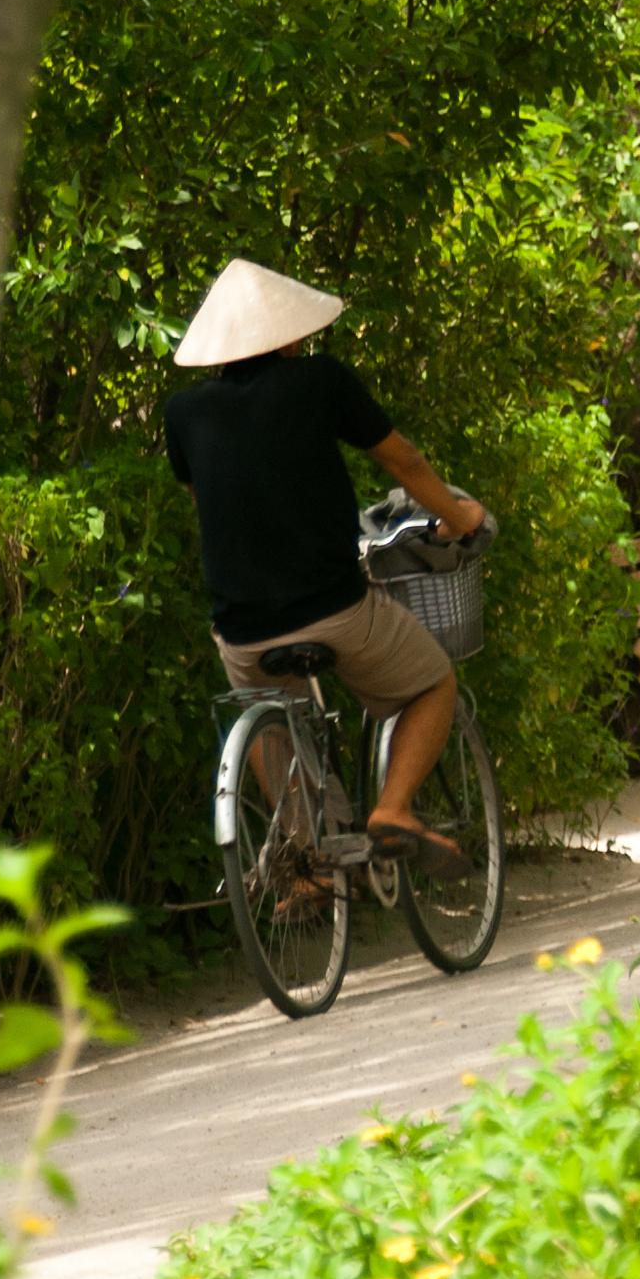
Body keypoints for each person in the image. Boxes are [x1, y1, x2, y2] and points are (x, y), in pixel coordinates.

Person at [164, 257, 490, 869]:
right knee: (433, 682)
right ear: (286, 335)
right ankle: (392, 809)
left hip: (243, 631)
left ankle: (306, 861)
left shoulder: (184, 414)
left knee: (261, 703)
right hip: (335, 610)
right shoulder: (320, 381)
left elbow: (210, 501)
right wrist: (460, 517)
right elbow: (405, 463)